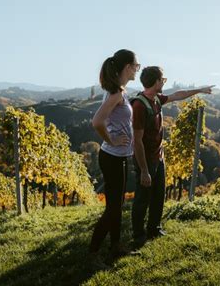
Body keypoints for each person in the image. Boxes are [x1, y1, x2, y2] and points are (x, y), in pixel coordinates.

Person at [131, 66, 213, 245]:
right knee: (142, 199)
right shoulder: (139, 106)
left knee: (159, 195)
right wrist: (144, 170)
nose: (164, 82)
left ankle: (154, 229)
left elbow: (178, 95)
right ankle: (138, 235)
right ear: (155, 82)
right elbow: (136, 142)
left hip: (158, 157)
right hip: (146, 160)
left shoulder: (156, 99)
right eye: (162, 80)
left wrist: (199, 90)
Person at [90, 49, 140, 265]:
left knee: (116, 205)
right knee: (113, 209)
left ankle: (115, 247)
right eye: (136, 65)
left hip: (117, 156)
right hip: (112, 157)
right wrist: (111, 140)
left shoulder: (119, 91)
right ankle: (92, 253)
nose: (137, 69)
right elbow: (97, 121)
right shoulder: (116, 94)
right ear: (127, 67)